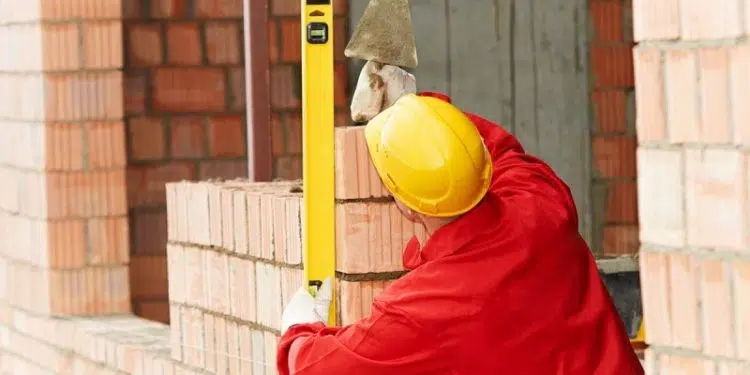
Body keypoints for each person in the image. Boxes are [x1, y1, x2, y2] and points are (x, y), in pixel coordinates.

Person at [276, 91, 645, 374]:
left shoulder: (425, 307)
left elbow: (316, 368)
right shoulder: (540, 206)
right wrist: (420, 110)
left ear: (405, 205)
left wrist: (297, 329)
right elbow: (495, 149)